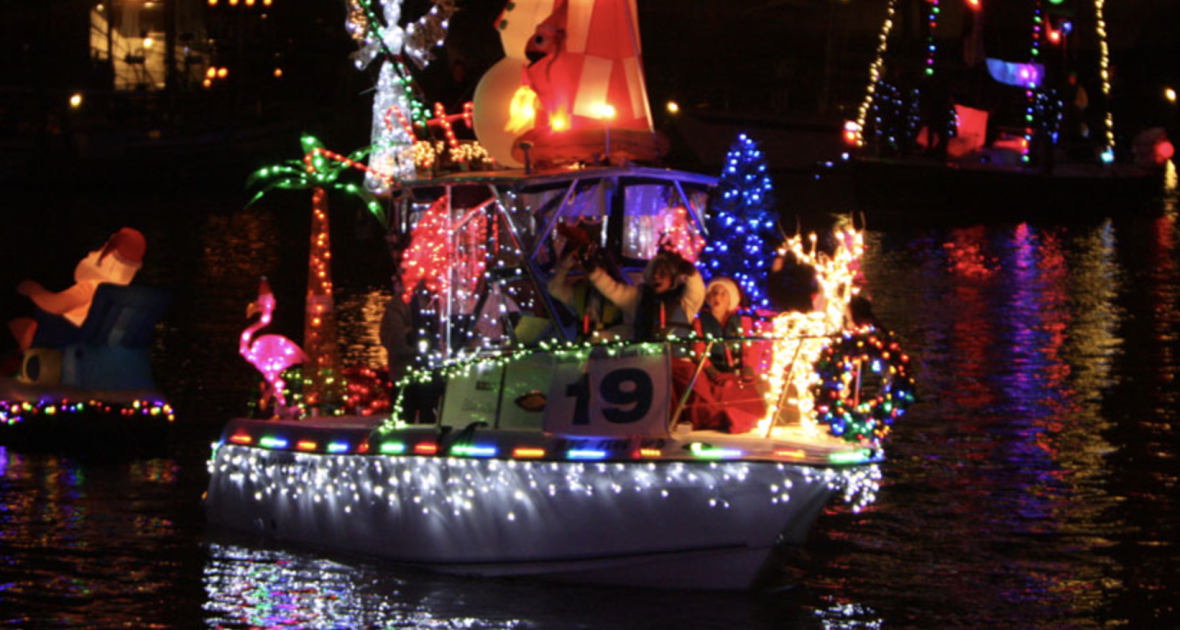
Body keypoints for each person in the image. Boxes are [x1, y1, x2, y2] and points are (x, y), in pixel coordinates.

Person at [8, 227, 146, 353]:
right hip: (84, 345)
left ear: (108, 257)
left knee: (18, 322)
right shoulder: (117, 295)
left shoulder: (90, 287)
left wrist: (34, 291)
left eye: (103, 247)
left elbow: (58, 305)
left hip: (60, 343)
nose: (92, 252)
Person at [674, 277, 766, 434]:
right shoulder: (700, 322)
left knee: (753, 404)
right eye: (714, 293)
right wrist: (713, 372)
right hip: (712, 375)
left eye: (723, 294)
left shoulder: (743, 322)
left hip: (739, 376)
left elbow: (751, 348)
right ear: (708, 297)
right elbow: (698, 349)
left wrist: (748, 370)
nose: (718, 297)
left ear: (731, 298)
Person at [586, 248, 704, 341]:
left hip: (678, 364)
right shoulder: (638, 297)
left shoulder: (685, 302)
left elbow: (697, 291)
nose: (656, 276)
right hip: (644, 361)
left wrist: (691, 273)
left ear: (673, 277)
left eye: (662, 273)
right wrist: (593, 271)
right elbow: (612, 289)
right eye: (654, 272)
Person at [545, 223, 621, 340]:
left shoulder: (620, 295)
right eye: (588, 268)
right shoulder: (581, 291)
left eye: (598, 267)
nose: (592, 273)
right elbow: (554, 289)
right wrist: (566, 264)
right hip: (584, 348)